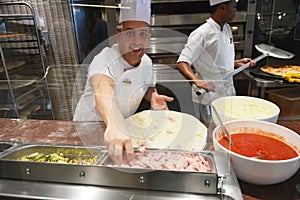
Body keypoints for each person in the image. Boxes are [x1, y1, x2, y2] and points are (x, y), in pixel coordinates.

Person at [74, 0, 173, 164]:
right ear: (118, 36)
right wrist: (114, 122)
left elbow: (147, 85)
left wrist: (153, 96)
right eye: (130, 33)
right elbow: (103, 87)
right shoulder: (104, 59)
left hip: (122, 129)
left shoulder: (147, 62)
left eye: (143, 34)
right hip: (88, 129)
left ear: (148, 38)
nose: (136, 41)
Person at [176, 0, 255, 122]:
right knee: (210, 133)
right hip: (209, 96)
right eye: (233, 6)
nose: (236, 10)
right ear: (222, 7)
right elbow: (182, 62)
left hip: (227, 92)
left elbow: (216, 59)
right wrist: (197, 80)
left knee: (225, 130)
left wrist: (237, 63)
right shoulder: (202, 33)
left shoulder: (227, 28)